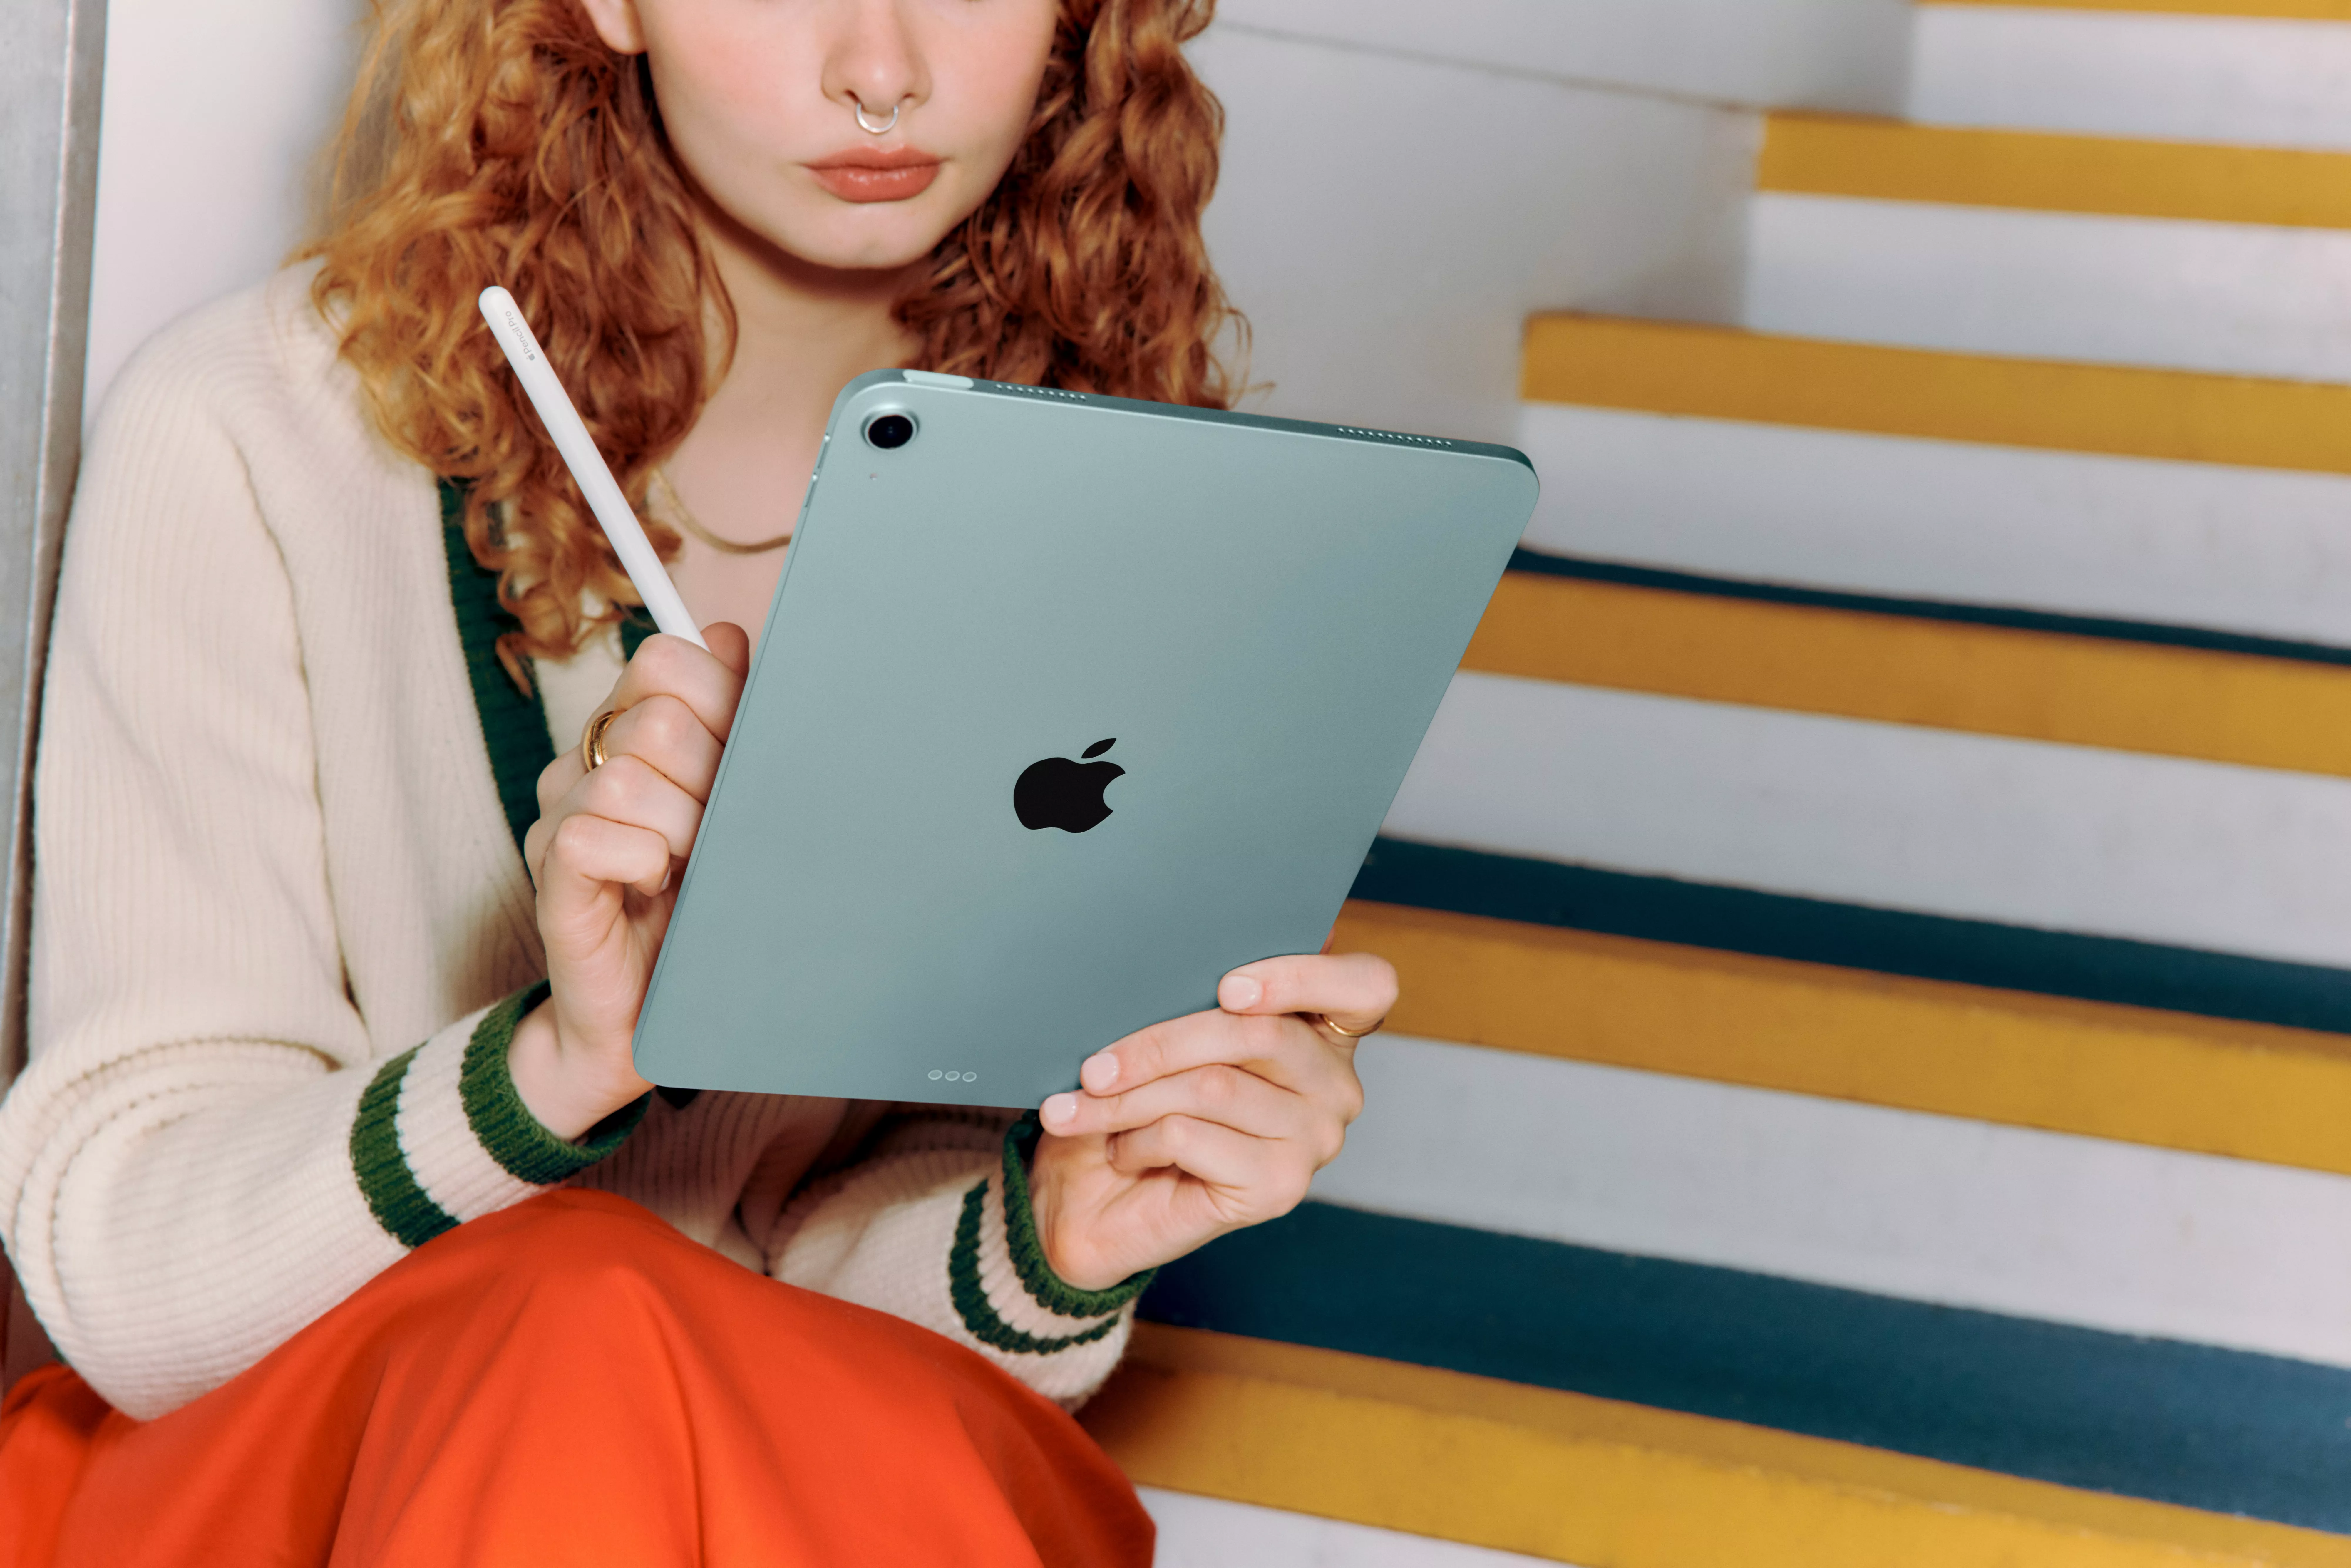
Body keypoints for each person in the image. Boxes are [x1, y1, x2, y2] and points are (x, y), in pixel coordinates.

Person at [0, 0, 1395, 1561]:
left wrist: (1048, 1237)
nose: (884, 71)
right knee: (584, 1316)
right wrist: (557, 1064)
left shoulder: (1127, 506)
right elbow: (125, 1284)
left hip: (748, 1478)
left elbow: (824, 1314)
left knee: (631, 1351)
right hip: (304, 1472)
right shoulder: (260, 435)